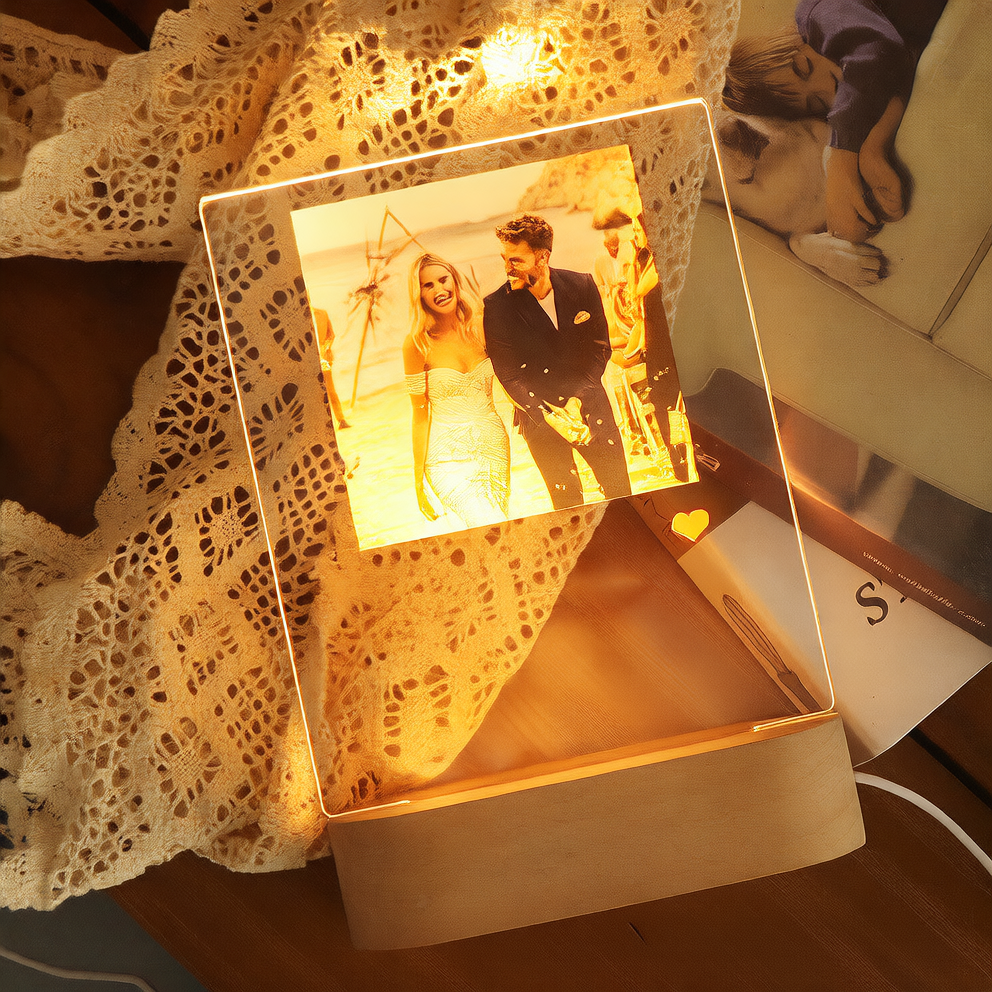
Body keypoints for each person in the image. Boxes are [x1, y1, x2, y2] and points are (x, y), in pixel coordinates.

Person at [723, 0, 947, 243]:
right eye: (817, 102)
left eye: (803, 67)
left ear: (795, 40)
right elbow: (895, 70)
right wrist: (874, 146)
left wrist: (843, 160)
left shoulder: (816, 13)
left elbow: (877, 52)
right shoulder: (855, 99)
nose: (828, 86)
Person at [482, 214, 631, 510]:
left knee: (622, 493)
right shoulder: (497, 307)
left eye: (516, 260)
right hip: (540, 419)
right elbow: (508, 374)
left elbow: (599, 348)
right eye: (505, 259)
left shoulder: (582, 285)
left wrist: (578, 400)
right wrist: (550, 414)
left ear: (543, 256)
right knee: (568, 508)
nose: (507, 268)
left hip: (591, 405)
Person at [402, 253, 510, 527]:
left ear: (454, 280)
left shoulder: (480, 328)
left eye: (442, 279)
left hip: (494, 447)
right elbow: (419, 414)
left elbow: (513, 374)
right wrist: (417, 480)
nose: (439, 289)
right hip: (446, 459)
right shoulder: (417, 344)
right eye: (428, 286)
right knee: (488, 523)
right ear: (420, 296)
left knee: (500, 529)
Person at [310, 306, 350, 430]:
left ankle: (340, 420)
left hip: (323, 359)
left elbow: (331, 335)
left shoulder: (321, 314)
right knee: (317, 393)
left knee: (329, 389)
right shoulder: (305, 316)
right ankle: (325, 424)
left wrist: (324, 348)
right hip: (312, 359)